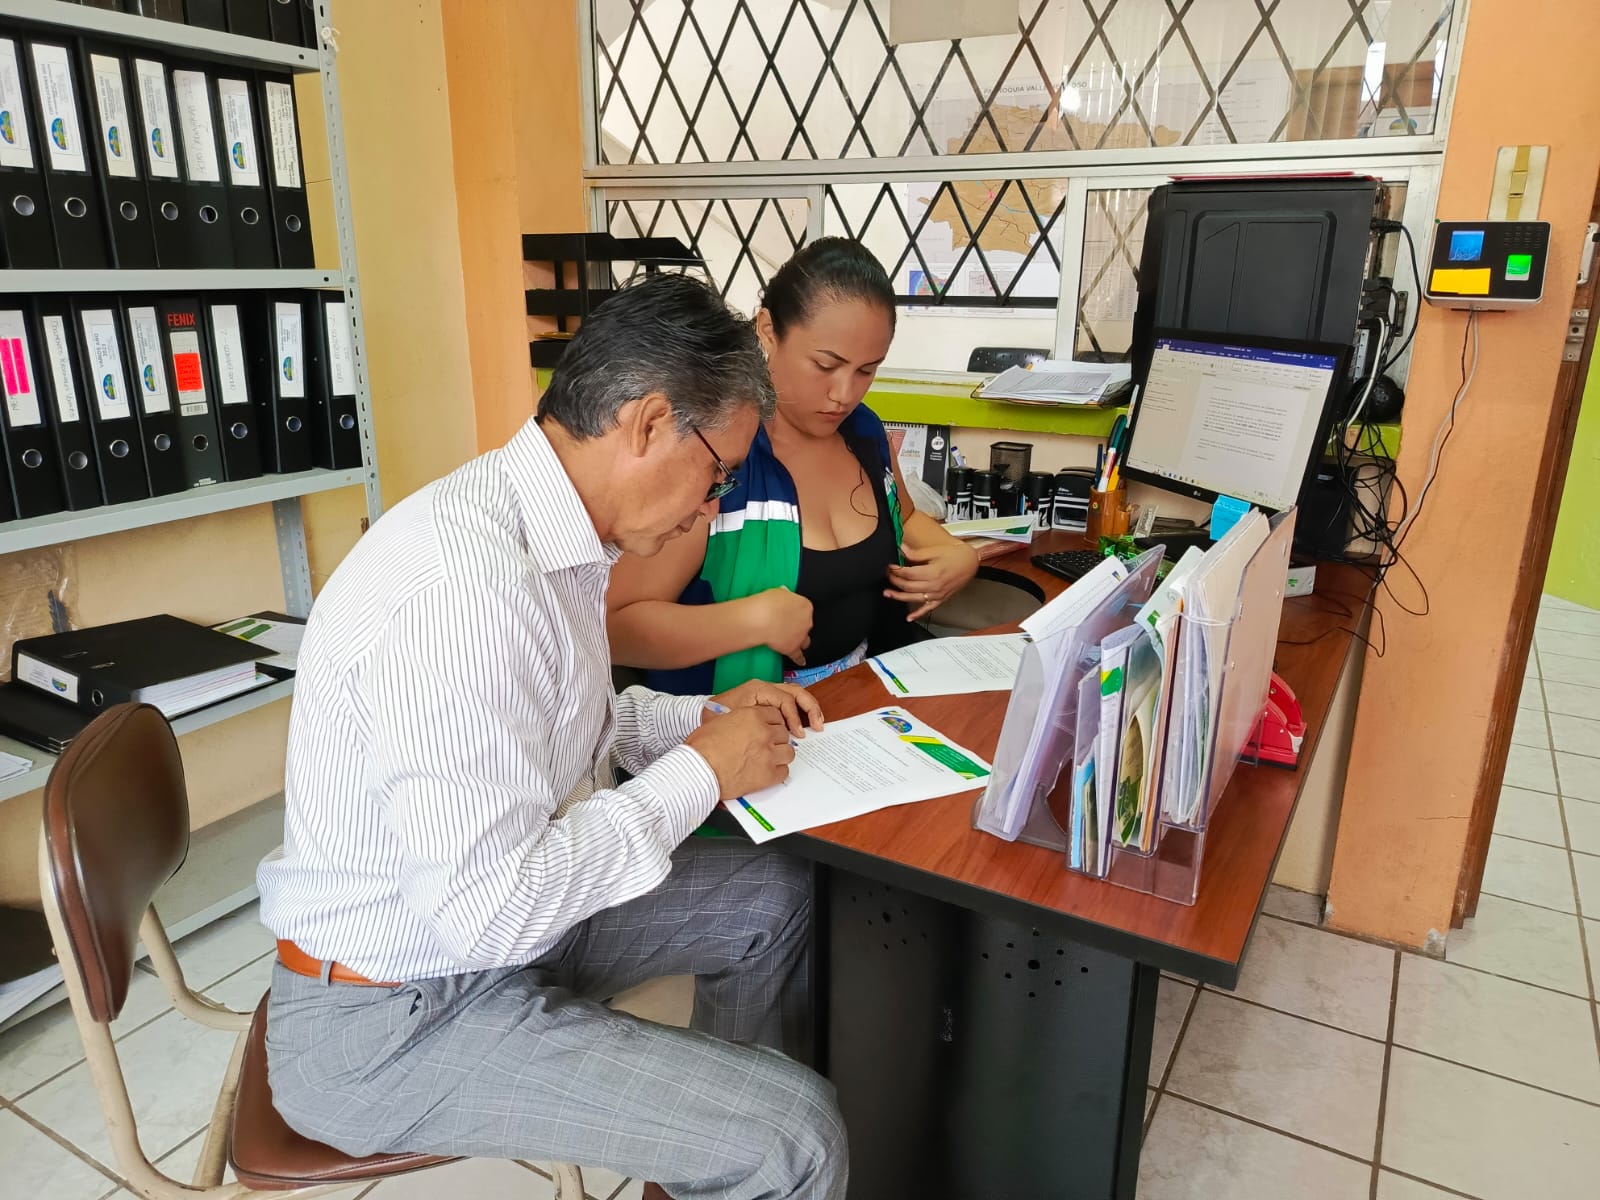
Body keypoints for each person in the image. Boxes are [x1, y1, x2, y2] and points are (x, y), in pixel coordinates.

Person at [256, 273, 847, 1200]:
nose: (713, 506)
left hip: (488, 942)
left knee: (777, 892)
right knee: (795, 1138)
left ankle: (711, 1159)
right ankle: (748, 1157)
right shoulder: (467, 591)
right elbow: (489, 907)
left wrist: (700, 720)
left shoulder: (551, 534)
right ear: (649, 423)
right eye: (719, 474)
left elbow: (572, 724)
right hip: (390, 1017)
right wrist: (700, 773)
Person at [607, 238, 980, 695]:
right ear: (768, 330)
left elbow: (905, 516)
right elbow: (613, 628)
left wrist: (960, 556)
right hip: (737, 718)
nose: (844, 394)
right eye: (825, 365)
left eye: (867, 370)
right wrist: (747, 621)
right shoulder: (716, 458)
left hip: (862, 701)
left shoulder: (865, 432)